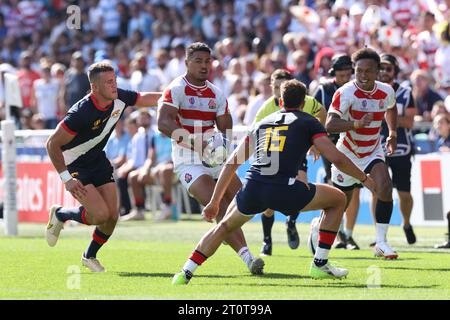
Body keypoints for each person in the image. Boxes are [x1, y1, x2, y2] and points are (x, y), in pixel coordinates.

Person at [172, 79, 376, 285]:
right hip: (284, 189)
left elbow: (231, 164)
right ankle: (320, 263)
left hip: (253, 187)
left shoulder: (262, 122)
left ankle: (185, 272)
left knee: (223, 227)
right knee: (338, 199)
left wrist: (214, 202)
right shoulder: (308, 121)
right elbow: (337, 158)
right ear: (304, 103)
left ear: (280, 102)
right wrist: (364, 178)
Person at [157, 42, 264, 275]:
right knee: (219, 208)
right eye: (198, 61)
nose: (204, 65)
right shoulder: (176, 89)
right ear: (187, 63)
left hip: (213, 156)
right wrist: (196, 142)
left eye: (207, 61)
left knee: (244, 201)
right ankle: (248, 258)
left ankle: (225, 232)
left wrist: (221, 147)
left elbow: (225, 128)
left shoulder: (216, 93)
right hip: (188, 159)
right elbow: (163, 123)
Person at [45, 61, 162, 272]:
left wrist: (173, 100)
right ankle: (61, 214)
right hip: (75, 164)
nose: (114, 85)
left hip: (98, 160)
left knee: (112, 217)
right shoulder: (81, 112)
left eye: (115, 80)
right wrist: (66, 179)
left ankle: (89, 256)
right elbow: (52, 144)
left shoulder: (119, 97)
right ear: (94, 87)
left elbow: (144, 98)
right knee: (99, 215)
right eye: (109, 82)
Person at [326, 48, 399, 259]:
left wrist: (392, 133)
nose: (363, 75)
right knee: (340, 203)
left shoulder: (386, 91)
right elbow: (330, 124)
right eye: (359, 71)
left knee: (384, 186)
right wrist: (355, 123)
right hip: (347, 152)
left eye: (368, 71)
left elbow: (391, 108)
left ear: (378, 71)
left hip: (372, 151)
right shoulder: (345, 92)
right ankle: (318, 229)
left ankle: (381, 242)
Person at [253, 69, 326, 256]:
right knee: (269, 205)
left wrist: (315, 142)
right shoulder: (266, 109)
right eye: (276, 87)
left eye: (282, 86)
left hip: (296, 153)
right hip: (273, 156)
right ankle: (267, 241)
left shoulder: (306, 101)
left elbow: (322, 112)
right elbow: (255, 134)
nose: (279, 90)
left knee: (301, 188)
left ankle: (291, 222)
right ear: (271, 87)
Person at [314, 54, 361, 250]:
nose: (344, 78)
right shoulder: (323, 90)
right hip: (329, 143)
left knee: (355, 189)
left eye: (347, 74)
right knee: (337, 188)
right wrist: (314, 141)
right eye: (341, 74)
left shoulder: (356, 89)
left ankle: (347, 233)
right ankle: (337, 232)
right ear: (334, 73)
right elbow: (313, 115)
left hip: (352, 142)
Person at [374, 53, 417, 245]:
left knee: (404, 194)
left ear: (395, 71)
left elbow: (409, 122)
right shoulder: (370, 91)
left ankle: (406, 223)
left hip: (401, 148)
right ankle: (380, 235)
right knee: (378, 191)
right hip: (376, 148)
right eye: (381, 68)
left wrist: (386, 114)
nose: (384, 72)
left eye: (388, 68)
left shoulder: (405, 93)